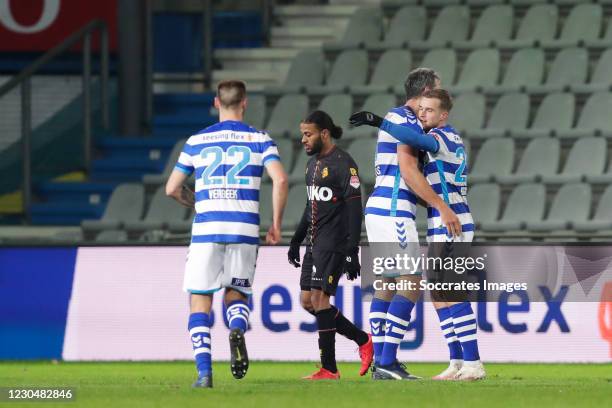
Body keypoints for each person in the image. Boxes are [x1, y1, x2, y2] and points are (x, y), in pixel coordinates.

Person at [349, 88, 485, 381]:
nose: (422, 114)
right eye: (420, 109)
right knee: (439, 292)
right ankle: (457, 362)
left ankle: (473, 362)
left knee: (450, 290)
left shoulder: (441, 137)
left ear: (443, 115)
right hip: (443, 220)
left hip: (452, 221)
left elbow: (417, 139)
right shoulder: (449, 140)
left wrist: (380, 122)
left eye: (430, 111)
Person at [165, 80, 289, 388]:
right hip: (244, 227)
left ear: (216, 103)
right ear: (244, 103)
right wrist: (275, 224)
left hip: (207, 227)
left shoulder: (196, 141)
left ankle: (205, 373)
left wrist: (196, 202)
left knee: (200, 298)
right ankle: (236, 327)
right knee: (237, 292)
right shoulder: (261, 139)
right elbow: (281, 180)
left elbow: (171, 188)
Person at [287, 110, 374, 380]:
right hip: (314, 241)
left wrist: (352, 250)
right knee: (307, 301)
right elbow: (309, 205)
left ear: (324, 133)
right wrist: (296, 240)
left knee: (320, 300)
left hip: (334, 241)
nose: (303, 139)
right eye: (303, 134)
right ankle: (363, 340)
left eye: (308, 134)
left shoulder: (343, 163)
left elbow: (354, 209)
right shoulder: (312, 165)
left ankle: (329, 368)